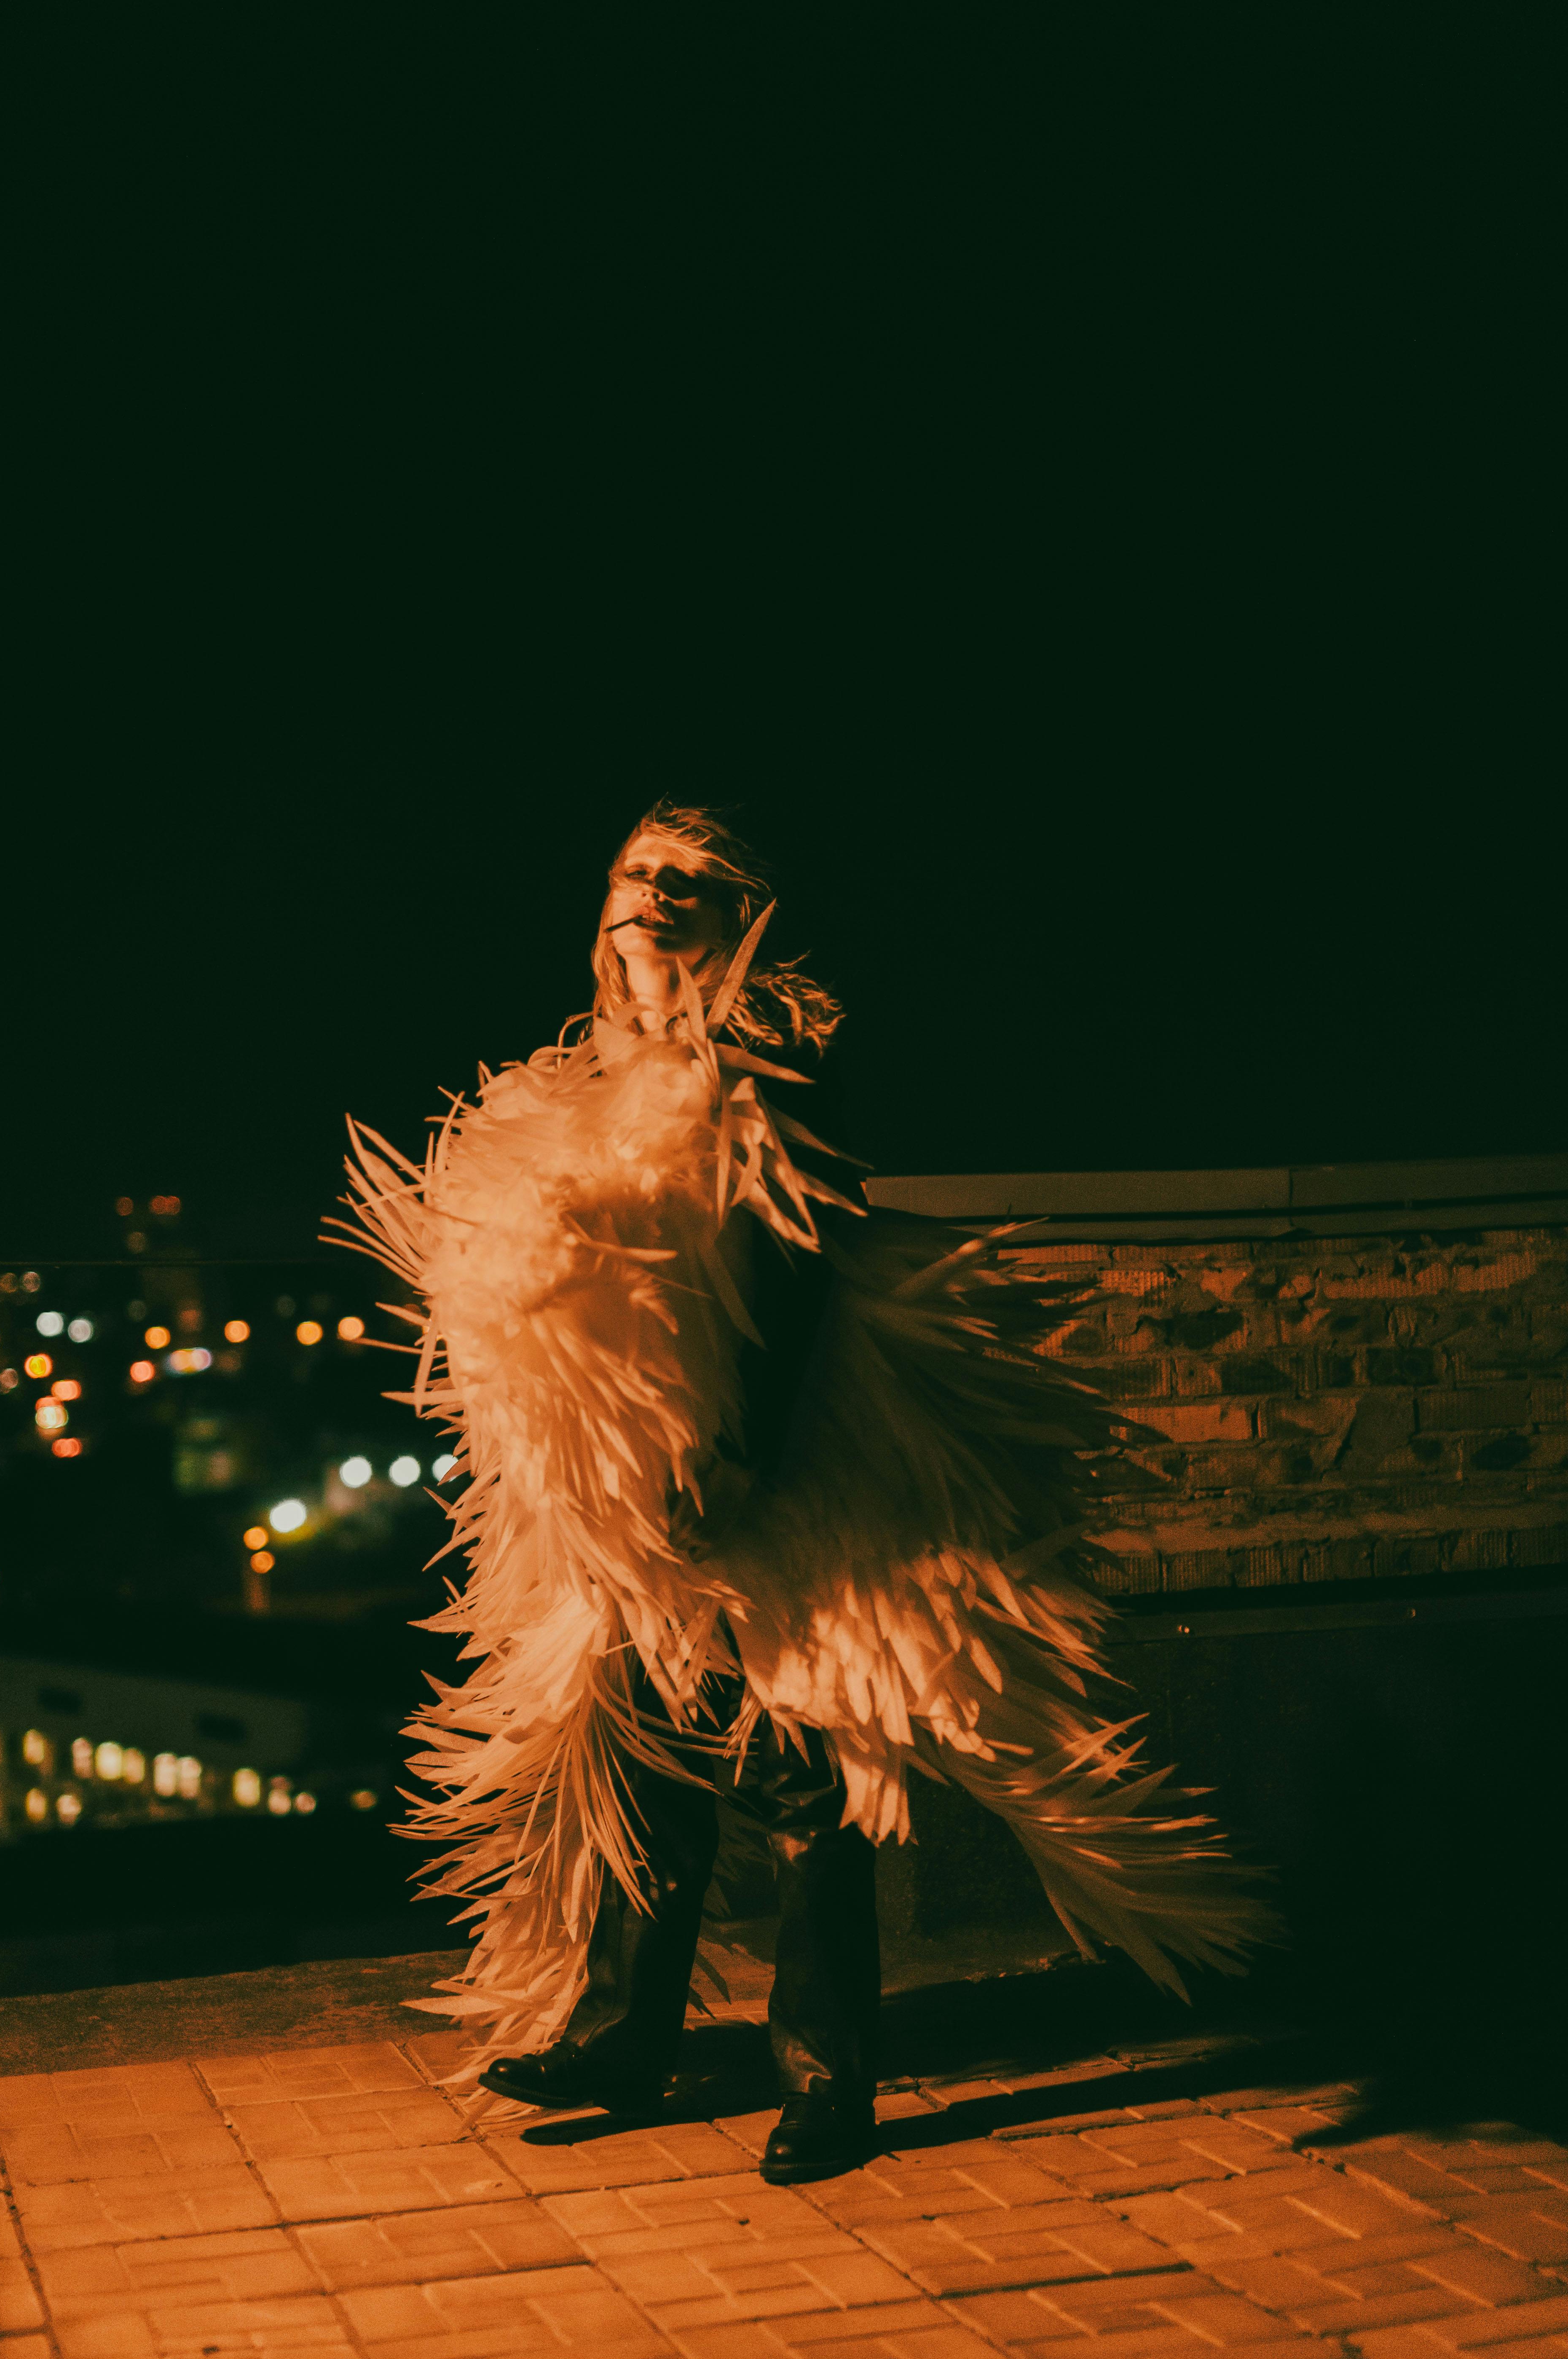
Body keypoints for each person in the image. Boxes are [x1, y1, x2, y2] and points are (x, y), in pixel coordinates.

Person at [338, 805, 1274, 2184]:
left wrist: (739, 1461)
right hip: (635, 1501)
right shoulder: (581, 1073)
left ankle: (830, 2081)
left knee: (801, 1778)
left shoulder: (772, 1059)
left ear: (741, 917)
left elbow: (796, 1280)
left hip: (773, 1476)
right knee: (648, 1754)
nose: (656, 894)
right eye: (637, 873)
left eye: (693, 882)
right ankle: (621, 2035)